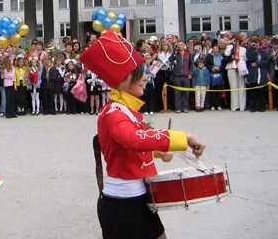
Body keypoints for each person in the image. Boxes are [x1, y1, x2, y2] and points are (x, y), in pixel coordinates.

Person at [79, 31, 205, 239]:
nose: (145, 77)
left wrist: (158, 151)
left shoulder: (127, 110)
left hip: (137, 197)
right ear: (121, 82)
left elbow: (130, 145)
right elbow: (132, 139)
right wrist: (184, 138)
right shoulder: (114, 113)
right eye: (139, 74)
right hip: (123, 204)